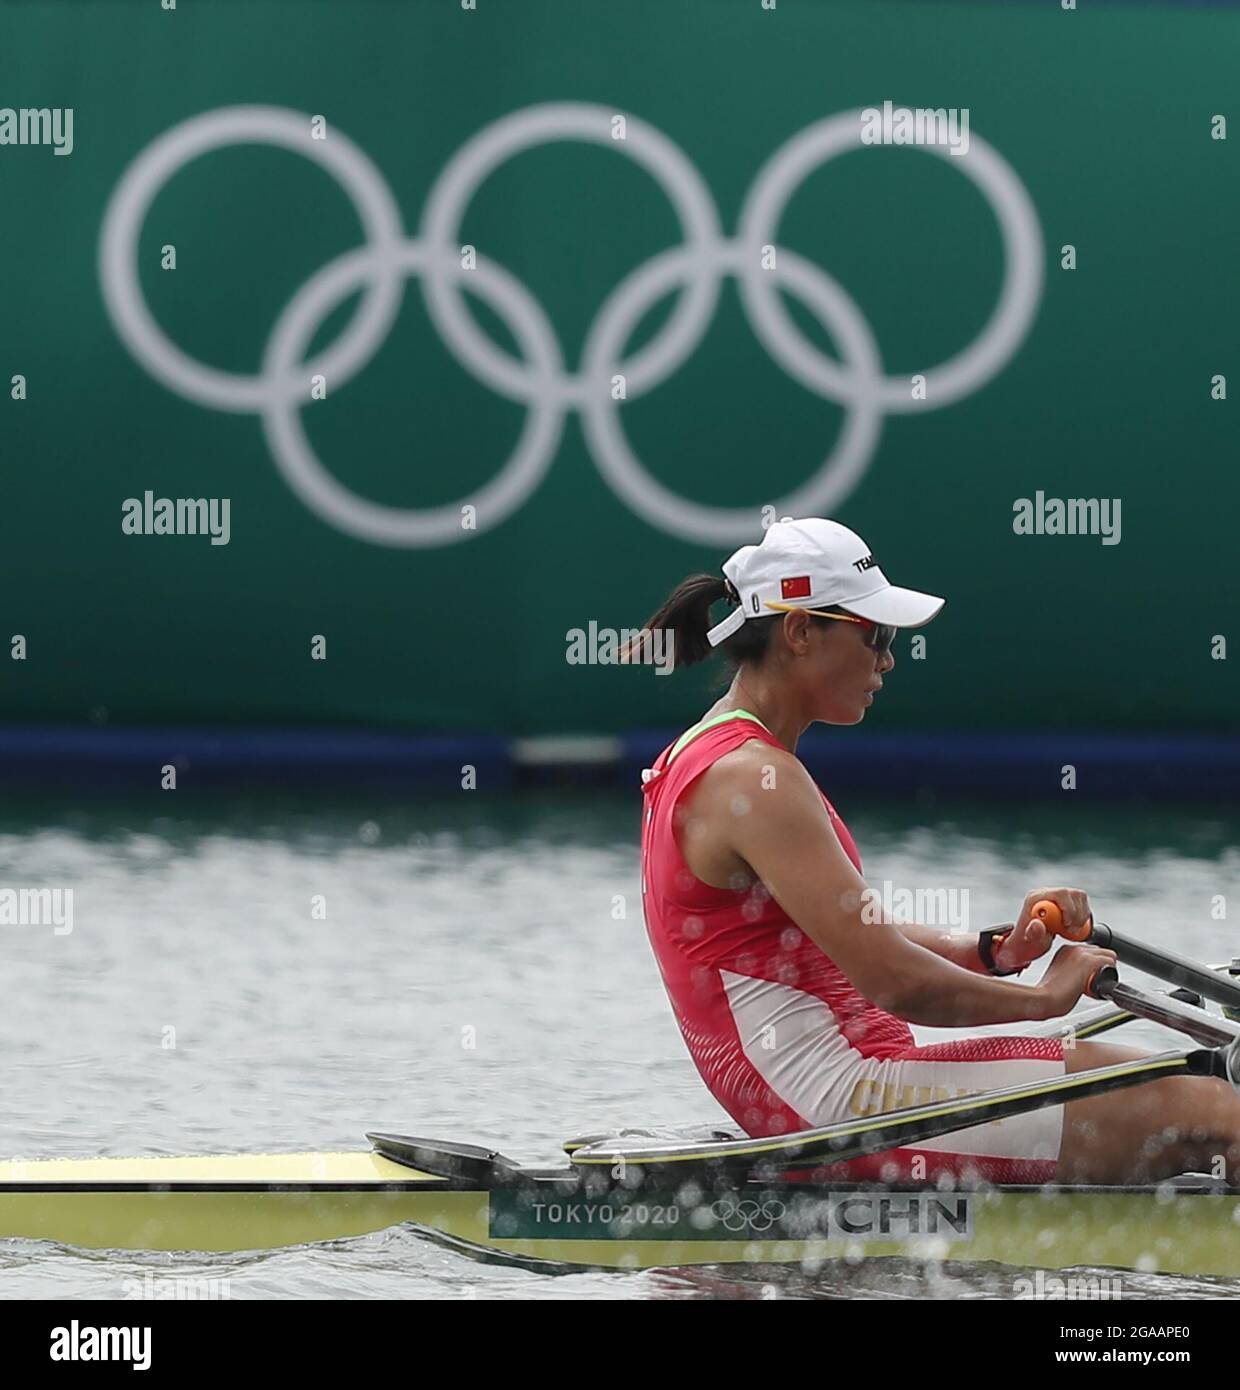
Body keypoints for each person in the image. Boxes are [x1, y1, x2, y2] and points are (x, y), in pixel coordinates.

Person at [629, 517, 1240, 1184]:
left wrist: (990, 952)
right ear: (801, 631)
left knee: (1205, 1079)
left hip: (832, 1092)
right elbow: (892, 980)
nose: (888, 659)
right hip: (836, 1106)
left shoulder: (713, 754)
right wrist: (1043, 999)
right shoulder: (752, 778)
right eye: (875, 635)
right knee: (1218, 1113)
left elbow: (833, 930)